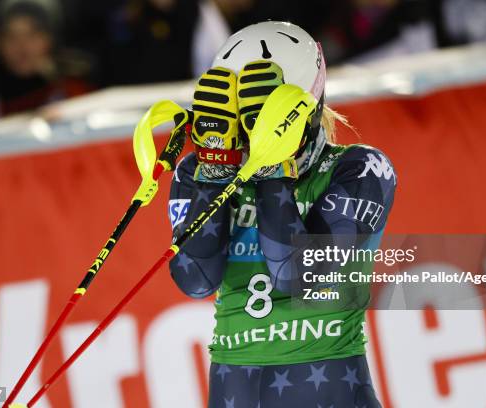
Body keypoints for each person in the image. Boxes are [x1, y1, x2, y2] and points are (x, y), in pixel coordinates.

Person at [168, 21, 396, 407]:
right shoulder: (198, 172)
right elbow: (196, 280)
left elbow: (298, 276)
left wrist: (271, 165)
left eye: (268, 118)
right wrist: (215, 169)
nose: (251, 133)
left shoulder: (363, 169)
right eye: (247, 119)